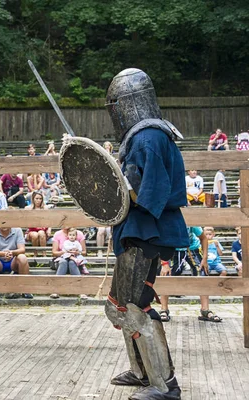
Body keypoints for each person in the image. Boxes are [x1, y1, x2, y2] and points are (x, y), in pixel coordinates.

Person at [102, 68, 187, 399]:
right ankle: (142, 371)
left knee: (135, 308)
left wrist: (114, 183)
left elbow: (145, 193)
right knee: (120, 306)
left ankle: (164, 386)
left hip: (145, 233)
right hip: (136, 232)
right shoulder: (146, 135)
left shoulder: (147, 137)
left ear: (127, 104)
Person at [158, 227, 220, 323]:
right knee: (165, 274)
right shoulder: (168, 220)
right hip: (172, 249)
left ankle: (205, 309)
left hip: (192, 248)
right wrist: (164, 264)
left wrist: (204, 259)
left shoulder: (192, 225)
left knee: (203, 273)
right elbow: (161, 241)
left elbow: (203, 238)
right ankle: (164, 309)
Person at [0, 227, 33, 299]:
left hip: (13, 261)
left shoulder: (17, 230)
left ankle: (25, 289)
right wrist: (3, 254)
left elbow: (22, 249)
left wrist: (12, 253)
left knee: (22, 257)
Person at [24, 191, 51, 257]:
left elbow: (49, 220)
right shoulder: (28, 208)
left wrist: (49, 229)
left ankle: (44, 254)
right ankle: (35, 254)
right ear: (33, 199)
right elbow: (25, 221)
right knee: (35, 235)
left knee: (41, 233)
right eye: (37, 198)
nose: (38, 200)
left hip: (43, 229)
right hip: (31, 230)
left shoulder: (45, 208)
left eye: (40, 199)